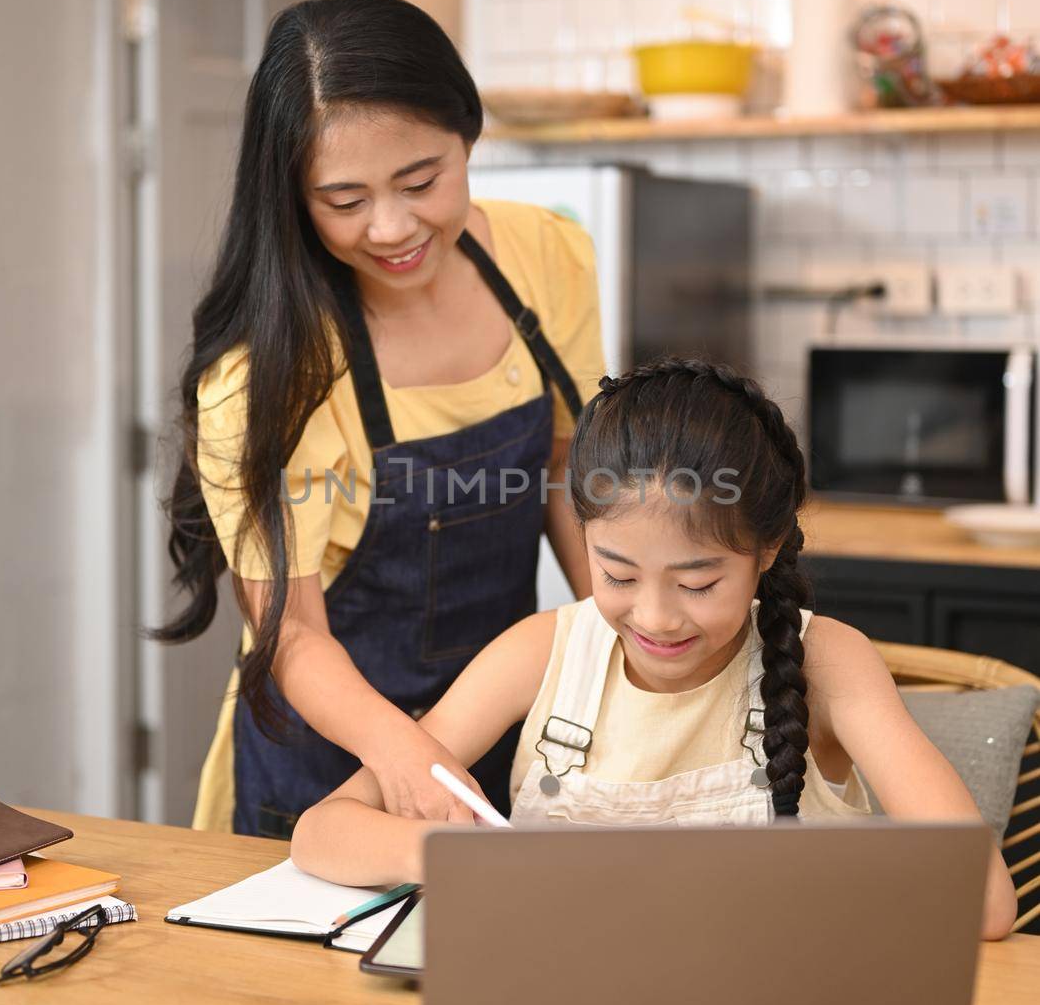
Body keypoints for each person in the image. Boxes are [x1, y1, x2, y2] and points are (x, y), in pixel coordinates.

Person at [291, 357, 1019, 941]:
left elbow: (985, 902)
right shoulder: (542, 651)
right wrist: (467, 860)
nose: (655, 617)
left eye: (698, 582)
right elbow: (321, 834)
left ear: (766, 551)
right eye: (616, 574)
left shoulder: (828, 661)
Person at [154, 0, 604, 837]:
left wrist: (624, 654)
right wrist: (411, 760)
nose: (393, 227)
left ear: (467, 136)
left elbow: (566, 470)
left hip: (507, 724)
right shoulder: (266, 378)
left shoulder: (547, 254)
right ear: (291, 194)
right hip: (328, 769)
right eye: (344, 200)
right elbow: (290, 633)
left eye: (421, 180)